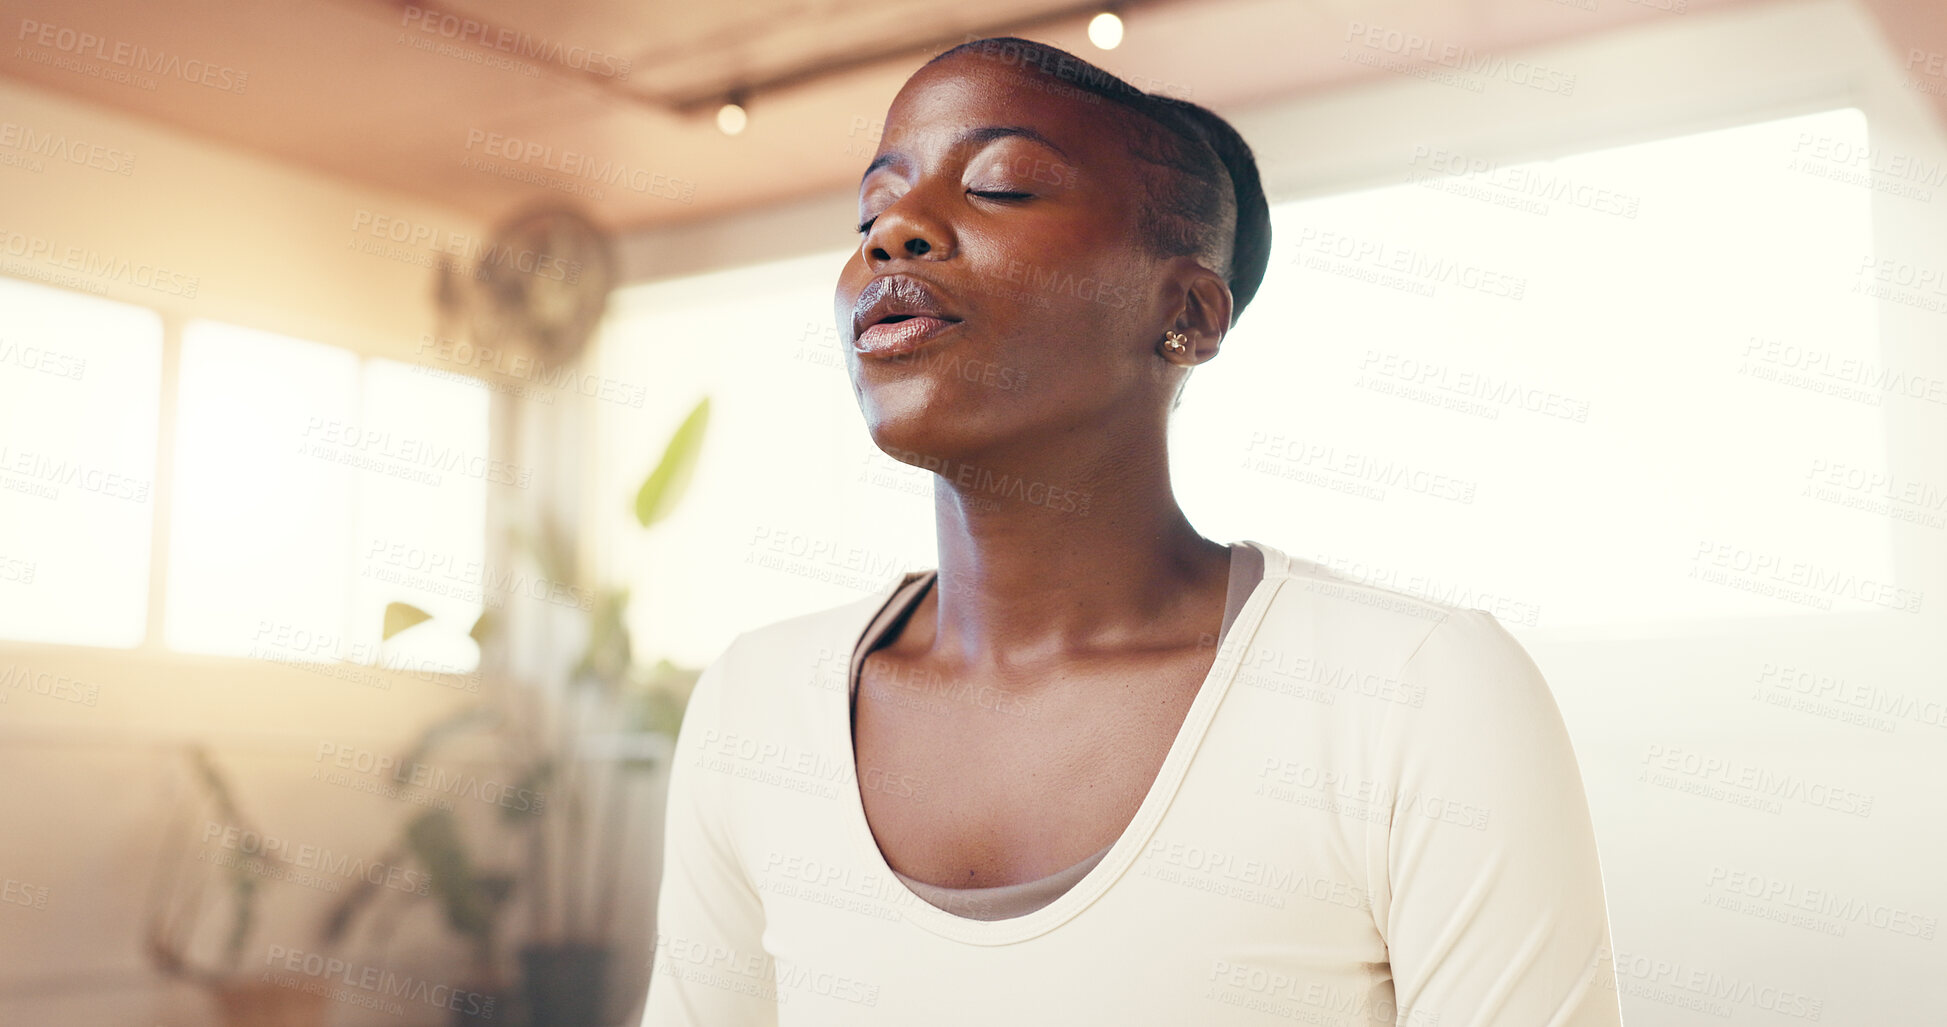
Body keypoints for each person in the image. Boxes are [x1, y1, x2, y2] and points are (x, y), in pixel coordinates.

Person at [642, 34, 1621, 1026]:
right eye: (871, 209)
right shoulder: (755, 708)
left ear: (1189, 314)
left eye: (1003, 187)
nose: (893, 232)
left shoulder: (1418, 695)